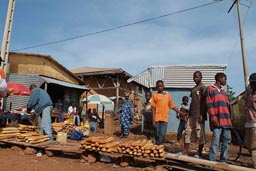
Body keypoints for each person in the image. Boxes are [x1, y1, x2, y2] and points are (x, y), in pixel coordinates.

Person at [151, 80, 187, 145]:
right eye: (158, 86)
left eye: (161, 86)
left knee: (162, 134)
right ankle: (157, 148)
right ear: (156, 87)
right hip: (157, 119)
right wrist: (153, 120)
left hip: (164, 119)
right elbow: (153, 108)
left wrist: (181, 113)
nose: (159, 87)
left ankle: (157, 146)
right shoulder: (155, 96)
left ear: (163, 86)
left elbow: (173, 106)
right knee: (157, 135)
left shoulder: (168, 96)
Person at [206, 72, 232, 162]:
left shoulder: (224, 91)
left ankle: (223, 161)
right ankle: (211, 162)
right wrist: (213, 118)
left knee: (225, 143)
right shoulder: (210, 89)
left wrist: (230, 120)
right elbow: (209, 105)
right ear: (219, 79)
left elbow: (228, 107)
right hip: (217, 120)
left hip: (227, 121)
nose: (226, 81)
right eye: (225, 79)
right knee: (215, 142)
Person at [181, 71, 207, 158]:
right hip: (192, 115)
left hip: (199, 115)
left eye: (197, 77)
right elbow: (192, 102)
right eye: (194, 77)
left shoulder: (203, 88)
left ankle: (199, 153)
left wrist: (202, 114)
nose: (195, 79)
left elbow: (204, 102)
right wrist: (189, 112)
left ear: (201, 77)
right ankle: (185, 150)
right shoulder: (193, 89)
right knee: (188, 132)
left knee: (200, 135)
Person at [245, 73, 256, 168]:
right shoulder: (251, 94)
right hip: (249, 123)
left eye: (253, 83)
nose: (251, 85)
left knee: (254, 147)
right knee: (249, 144)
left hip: (255, 124)